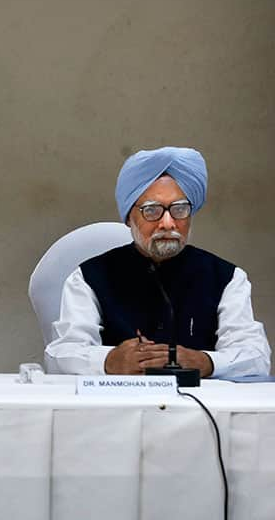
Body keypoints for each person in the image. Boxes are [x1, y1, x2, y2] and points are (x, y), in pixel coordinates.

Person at [45, 147, 270, 377]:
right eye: (151, 210)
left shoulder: (227, 278)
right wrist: (109, 360)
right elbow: (62, 353)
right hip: (116, 406)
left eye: (179, 209)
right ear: (129, 217)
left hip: (201, 408)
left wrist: (205, 361)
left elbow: (256, 357)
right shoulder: (88, 277)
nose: (168, 223)